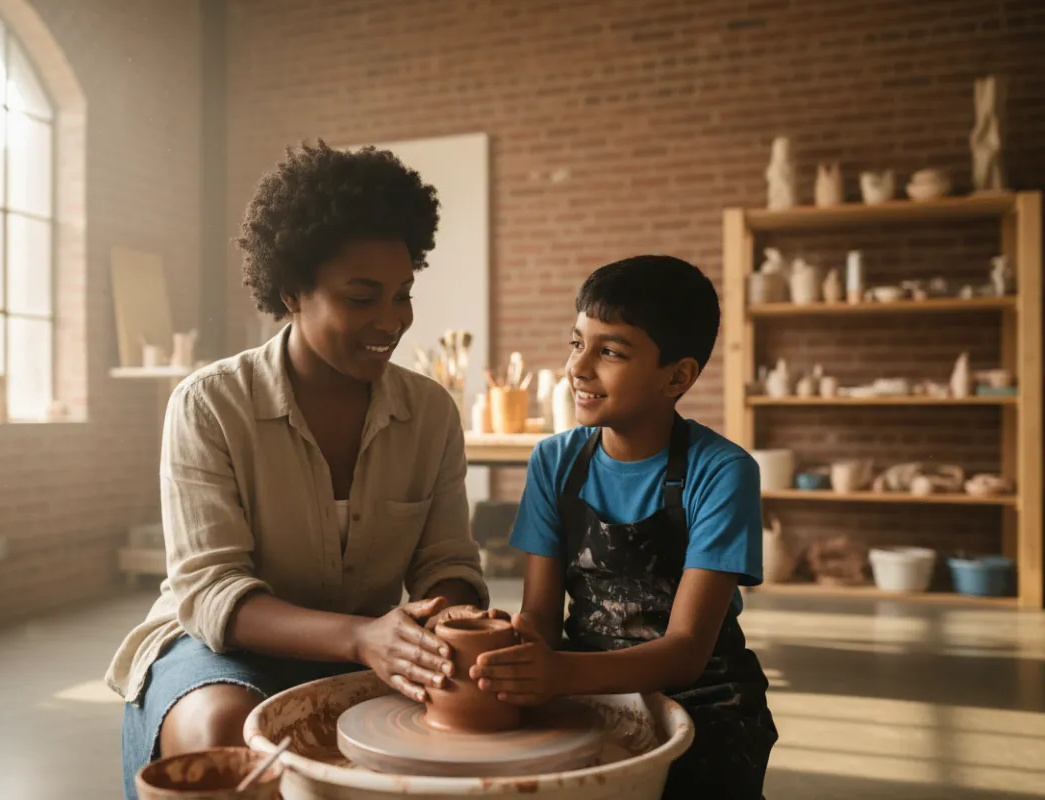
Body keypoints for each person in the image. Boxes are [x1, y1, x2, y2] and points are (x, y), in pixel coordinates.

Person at [107, 142, 493, 799]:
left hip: (364, 646)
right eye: (362, 297)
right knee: (232, 735)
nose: (391, 320)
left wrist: (446, 630)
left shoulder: (428, 412)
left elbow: (448, 562)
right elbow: (211, 592)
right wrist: (362, 637)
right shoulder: (210, 405)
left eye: (402, 295)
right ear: (292, 292)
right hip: (217, 651)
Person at [472, 255, 777, 798]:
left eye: (609, 351)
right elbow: (541, 615)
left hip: (704, 693)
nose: (579, 367)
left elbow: (686, 650)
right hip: (585, 675)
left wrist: (557, 674)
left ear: (678, 376)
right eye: (576, 343)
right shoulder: (554, 462)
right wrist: (515, 653)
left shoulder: (723, 472)